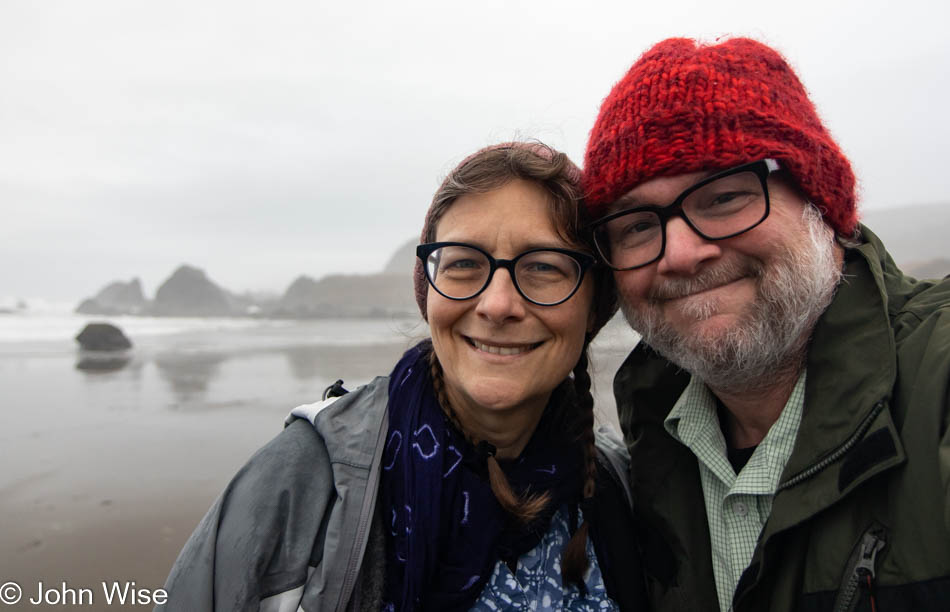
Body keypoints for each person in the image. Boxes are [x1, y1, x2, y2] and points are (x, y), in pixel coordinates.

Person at [158, 142, 645, 611]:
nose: (497, 305)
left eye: (543, 266)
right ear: (429, 291)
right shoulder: (305, 481)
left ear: (593, 305)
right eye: (463, 264)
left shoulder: (621, 488)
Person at [581, 37, 950, 612]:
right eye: (635, 226)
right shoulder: (639, 467)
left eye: (724, 197)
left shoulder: (939, 385)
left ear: (819, 204)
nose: (678, 253)